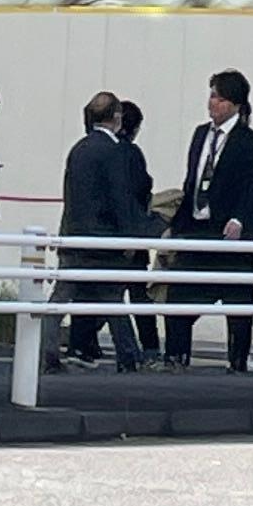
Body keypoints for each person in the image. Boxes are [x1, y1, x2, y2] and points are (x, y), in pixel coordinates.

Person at [165, 70, 253, 371]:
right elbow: (191, 181)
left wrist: (239, 218)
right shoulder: (200, 135)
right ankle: (175, 357)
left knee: (237, 302)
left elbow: (251, 186)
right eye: (212, 95)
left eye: (221, 98)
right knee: (179, 296)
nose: (213, 103)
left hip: (227, 232)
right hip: (195, 226)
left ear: (236, 104)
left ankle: (237, 361)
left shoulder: (250, 142)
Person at [58, 95, 146, 370]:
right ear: (116, 116)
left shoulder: (79, 149)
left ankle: (44, 352)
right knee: (113, 299)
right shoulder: (115, 151)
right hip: (104, 239)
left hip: (74, 236)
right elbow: (120, 197)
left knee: (59, 300)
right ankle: (129, 357)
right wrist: (130, 236)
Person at [113, 100, 163, 365]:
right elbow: (143, 186)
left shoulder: (107, 150)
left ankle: (83, 344)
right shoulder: (132, 154)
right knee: (140, 295)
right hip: (134, 231)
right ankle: (150, 347)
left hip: (111, 234)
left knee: (105, 293)